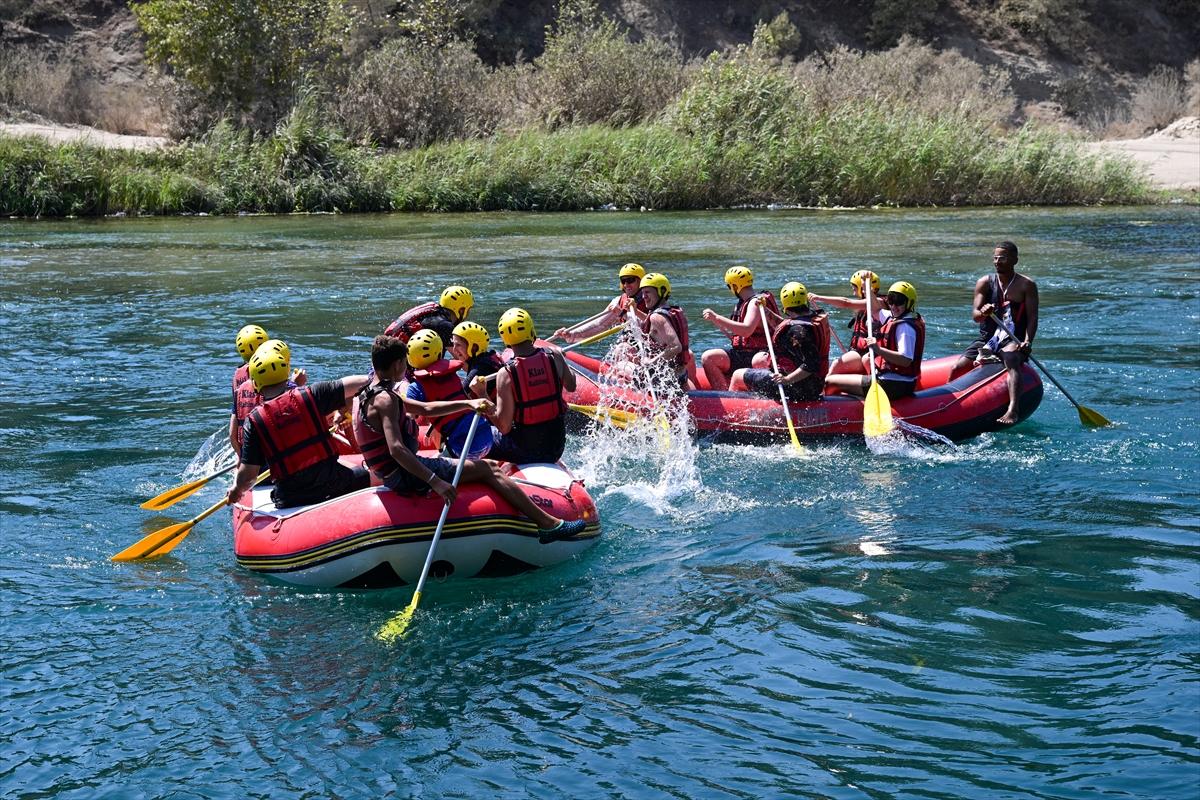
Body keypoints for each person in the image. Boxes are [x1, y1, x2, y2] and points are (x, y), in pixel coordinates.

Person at [354, 335, 585, 543]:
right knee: (490, 468)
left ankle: (546, 522)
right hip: (403, 475)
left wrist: (468, 403)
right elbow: (396, 449)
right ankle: (548, 524)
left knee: (478, 465)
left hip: (393, 473)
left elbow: (425, 408)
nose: (407, 367)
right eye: (405, 363)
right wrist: (435, 481)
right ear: (397, 364)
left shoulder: (370, 393)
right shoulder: (387, 401)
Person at [225, 344, 370, 509]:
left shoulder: (254, 421)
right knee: (377, 475)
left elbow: (248, 477)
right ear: (287, 373)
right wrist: (344, 409)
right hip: (335, 483)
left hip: (290, 498)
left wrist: (237, 490)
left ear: (255, 384)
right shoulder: (313, 394)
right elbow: (365, 381)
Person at [948, 241, 1039, 425]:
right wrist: (984, 312)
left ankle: (1013, 410)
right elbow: (976, 316)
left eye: (1003, 258)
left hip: (1013, 339)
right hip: (989, 338)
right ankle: (946, 406)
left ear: (1015, 260)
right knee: (958, 367)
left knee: (1011, 359)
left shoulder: (1026, 285)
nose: (997, 261)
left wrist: (1027, 341)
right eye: (995, 257)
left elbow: (1032, 317)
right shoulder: (984, 283)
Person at [485, 308, 576, 464]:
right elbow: (571, 386)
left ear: (505, 339)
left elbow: (504, 427)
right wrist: (563, 359)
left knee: (479, 433)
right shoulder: (555, 355)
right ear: (531, 330)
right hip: (556, 449)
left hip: (524, 452)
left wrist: (482, 393)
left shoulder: (505, 373)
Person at [823, 281, 925, 401]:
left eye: (899, 302)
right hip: (897, 381)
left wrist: (878, 349)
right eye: (891, 301)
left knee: (829, 382)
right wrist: (867, 288)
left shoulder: (905, 327)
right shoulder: (895, 317)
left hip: (892, 385)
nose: (893, 306)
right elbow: (876, 310)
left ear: (910, 303)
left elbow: (906, 360)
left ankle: (829, 409)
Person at [731, 282, 830, 402]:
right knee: (760, 360)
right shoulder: (810, 318)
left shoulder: (799, 331)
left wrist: (787, 380)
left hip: (800, 387)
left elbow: (812, 364)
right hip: (813, 384)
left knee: (737, 375)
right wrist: (765, 311)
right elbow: (784, 326)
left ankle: (732, 407)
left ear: (785, 304)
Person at [405, 329, 494, 459]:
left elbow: (408, 423)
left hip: (466, 448)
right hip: (487, 437)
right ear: (440, 352)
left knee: (432, 465)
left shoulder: (415, 388)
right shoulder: (452, 375)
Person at [701, 266, 779, 391]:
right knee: (708, 357)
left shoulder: (756, 302)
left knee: (758, 360)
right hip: (743, 354)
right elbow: (738, 335)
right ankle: (724, 395)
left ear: (735, 286)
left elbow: (746, 330)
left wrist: (717, 317)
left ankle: (752, 394)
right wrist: (716, 320)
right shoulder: (743, 302)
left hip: (761, 353)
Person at [229, 339, 306, 458]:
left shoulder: (240, 390)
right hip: (275, 457)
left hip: (249, 455)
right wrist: (294, 385)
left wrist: (241, 457)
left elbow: (232, 435)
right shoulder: (289, 390)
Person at [616, 272, 690, 391]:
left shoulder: (657, 317)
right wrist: (635, 311)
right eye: (643, 292)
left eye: (648, 292)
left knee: (620, 366)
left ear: (661, 291)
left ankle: (624, 396)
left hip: (663, 380)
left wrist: (650, 362)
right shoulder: (672, 311)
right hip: (680, 376)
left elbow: (676, 347)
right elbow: (651, 323)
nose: (644, 296)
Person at [809, 270, 887, 377]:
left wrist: (819, 298)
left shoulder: (880, 303)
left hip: (871, 352)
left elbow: (846, 303)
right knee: (836, 365)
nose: (854, 293)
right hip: (859, 352)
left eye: (855, 289)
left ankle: (824, 388)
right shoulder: (863, 304)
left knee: (838, 364)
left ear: (863, 288)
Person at [553, 263, 649, 343]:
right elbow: (599, 325)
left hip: (650, 349)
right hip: (631, 349)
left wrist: (622, 313)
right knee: (622, 348)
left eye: (631, 280)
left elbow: (652, 324)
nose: (626, 285)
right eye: (623, 281)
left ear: (641, 281)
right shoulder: (619, 302)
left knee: (622, 348)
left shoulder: (650, 299)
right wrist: (571, 334)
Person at [383, 285, 474, 345]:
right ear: (461, 310)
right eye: (468, 309)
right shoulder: (444, 325)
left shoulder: (433, 312)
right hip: (398, 364)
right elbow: (462, 360)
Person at [451, 321, 505, 399]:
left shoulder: (482, 367)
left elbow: (457, 394)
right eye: (453, 344)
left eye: (458, 345)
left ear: (474, 347)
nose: (454, 350)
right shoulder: (483, 358)